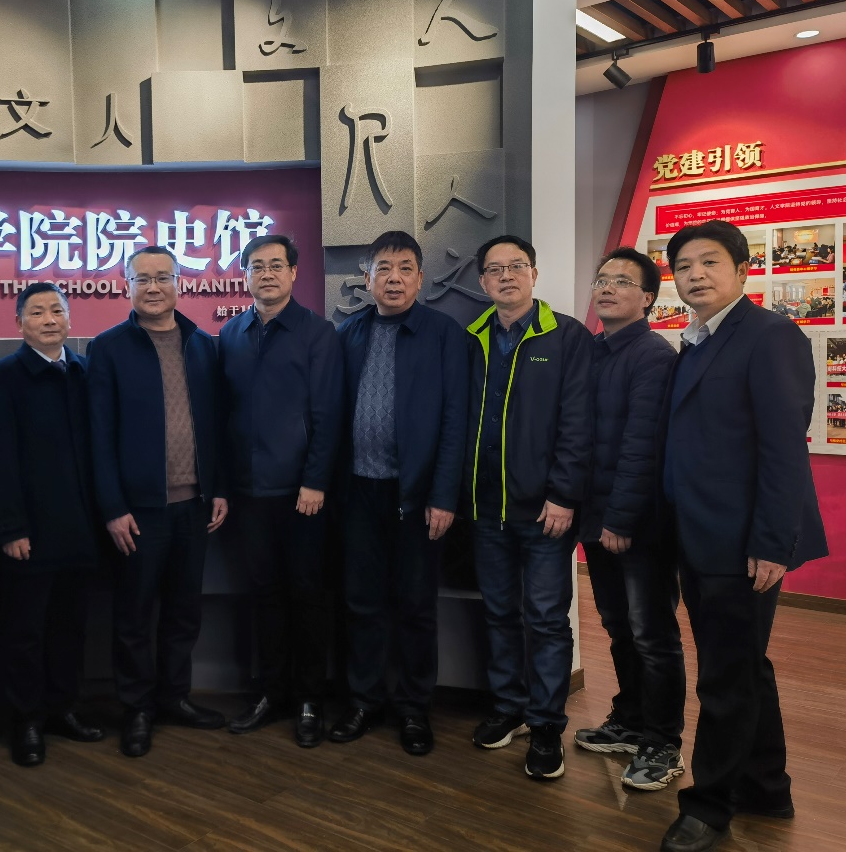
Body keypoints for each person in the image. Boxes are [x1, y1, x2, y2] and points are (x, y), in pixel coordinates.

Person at [658, 220, 828, 852]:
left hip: (741, 541)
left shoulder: (770, 335)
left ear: (742, 270)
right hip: (699, 533)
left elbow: (784, 450)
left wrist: (771, 543)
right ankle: (766, 786)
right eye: (683, 266)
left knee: (724, 678)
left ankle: (708, 808)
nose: (695, 275)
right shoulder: (697, 339)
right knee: (742, 665)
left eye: (709, 262)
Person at [329, 231, 468, 757]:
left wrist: (444, 495)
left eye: (405, 268)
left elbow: (455, 422)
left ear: (420, 277)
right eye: (383, 269)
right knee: (361, 602)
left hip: (419, 497)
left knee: (415, 605)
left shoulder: (444, 334)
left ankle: (413, 708)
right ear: (366, 277)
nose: (394, 279)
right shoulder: (349, 332)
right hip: (359, 493)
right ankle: (364, 701)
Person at [87, 246, 229, 758]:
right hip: (138, 512)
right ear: (126, 285)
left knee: (183, 611)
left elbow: (217, 424)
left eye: (162, 277)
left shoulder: (203, 345)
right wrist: (112, 507)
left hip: (195, 506)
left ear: (178, 283)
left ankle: (174, 698)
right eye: (141, 279)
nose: (152, 287)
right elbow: (98, 436)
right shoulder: (108, 348)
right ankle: (137, 708)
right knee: (134, 615)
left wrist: (219, 488)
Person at [464, 235, 592, 780]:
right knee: (498, 614)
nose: (506, 276)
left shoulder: (565, 336)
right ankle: (509, 708)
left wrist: (563, 494)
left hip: (544, 512)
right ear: (482, 281)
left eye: (517, 266)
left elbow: (578, 421)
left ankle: (545, 727)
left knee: (545, 620)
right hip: (485, 510)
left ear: (534, 275)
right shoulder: (472, 338)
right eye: (495, 269)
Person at [219, 235, 343, 748]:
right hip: (249, 494)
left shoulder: (318, 332)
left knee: (307, 596)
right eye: (257, 266)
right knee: (263, 596)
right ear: (245, 275)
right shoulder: (231, 333)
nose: (266, 273)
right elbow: (223, 415)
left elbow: (328, 413)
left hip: (302, 495)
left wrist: (315, 480)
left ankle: (310, 698)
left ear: (294, 272)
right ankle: (270, 692)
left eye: (276, 265)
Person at [0, 283, 104, 766]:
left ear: (69, 318)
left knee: (70, 627)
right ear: (19, 323)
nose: (49, 319)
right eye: (37, 313)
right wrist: (10, 528)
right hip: (29, 532)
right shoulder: (1, 377)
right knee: (24, 630)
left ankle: (63, 708)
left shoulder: (84, 372)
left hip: (80, 529)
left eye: (57, 311)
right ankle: (26, 720)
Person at [574, 248, 686, 792]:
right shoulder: (592, 351)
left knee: (653, 634)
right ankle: (631, 719)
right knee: (618, 626)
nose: (607, 288)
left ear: (647, 298)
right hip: (597, 520)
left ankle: (663, 743)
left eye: (622, 281)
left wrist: (619, 520)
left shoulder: (652, 355)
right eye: (602, 279)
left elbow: (643, 446)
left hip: (637, 525)